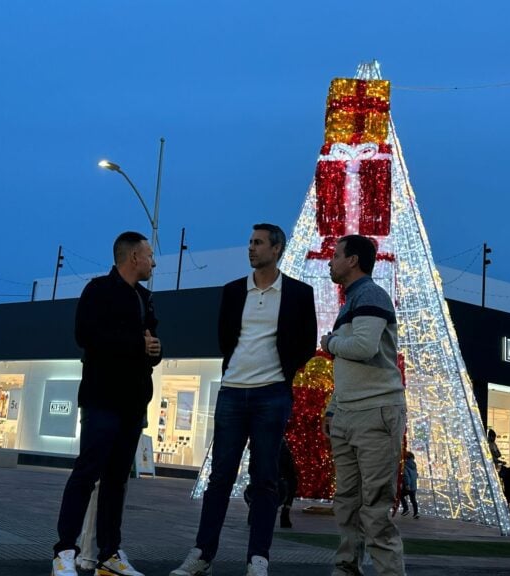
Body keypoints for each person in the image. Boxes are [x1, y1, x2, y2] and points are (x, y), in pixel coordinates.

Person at [171, 223, 317, 576]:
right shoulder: (234, 291)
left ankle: (258, 559)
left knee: (266, 477)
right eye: (250, 242)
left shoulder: (298, 293)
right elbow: (226, 338)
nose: (251, 248)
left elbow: (306, 342)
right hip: (233, 393)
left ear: (277, 249)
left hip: (272, 394)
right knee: (220, 477)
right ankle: (202, 554)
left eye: (258, 243)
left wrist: (282, 374)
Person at [52, 231, 162, 576]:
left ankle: (109, 556)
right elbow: (86, 336)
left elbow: (152, 344)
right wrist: (137, 345)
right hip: (102, 399)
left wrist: (157, 351)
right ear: (133, 257)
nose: (153, 262)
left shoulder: (144, 298)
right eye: (149, 255)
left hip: (133, 403)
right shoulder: (97, 290)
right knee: (86, 473)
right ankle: (64, 552)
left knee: (117, 480)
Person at [320, 234, 407, 576]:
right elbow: (351, 365)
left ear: (353, 260)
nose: (330, 261)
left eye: (336, 255)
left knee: (373, 507)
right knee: (347, 502)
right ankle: (346, 566)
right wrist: (333, 405)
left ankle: (388, 572)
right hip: (348, 412)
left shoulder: (371, 294)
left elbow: (363, 347)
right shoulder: (353, 299)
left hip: (375, 413)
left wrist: (329, 342)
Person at [400, 451, 419, 519]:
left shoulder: (405, 465)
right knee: (413, 499)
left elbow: (406, 475)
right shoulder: (414, 465)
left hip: (408, 486)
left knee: (400, 495)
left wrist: (407, 484)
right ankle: (416, 513)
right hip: (414, 485)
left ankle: (406, 509)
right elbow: (416, 475)